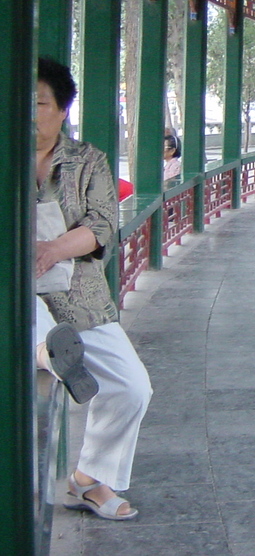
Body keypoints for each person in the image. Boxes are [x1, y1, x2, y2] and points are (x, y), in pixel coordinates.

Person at [34, 57, 153, 520]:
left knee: (132, 387)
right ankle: (49, 352)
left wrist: (54, 249)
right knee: (23, 308)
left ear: (62, 109)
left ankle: (88, 480)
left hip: (76, 294)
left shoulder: (88, 161)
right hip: (15, 288)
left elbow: (102, 223)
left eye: (39, 102)